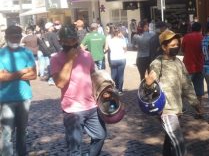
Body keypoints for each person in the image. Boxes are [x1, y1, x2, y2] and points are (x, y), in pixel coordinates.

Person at [50, 25, 106, 155]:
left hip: (91, 106)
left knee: (100, 136)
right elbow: (60, 83)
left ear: (77, 40)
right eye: (66, 41)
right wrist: (70, 59)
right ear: (60, 42)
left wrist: (104, 90)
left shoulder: (87, 55)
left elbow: (93, 76)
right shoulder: (55, 59)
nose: (70, 43)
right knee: (74, 147)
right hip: (72, 110)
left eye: (73, 40)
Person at [144, 30, 202, 156]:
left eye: (177, 45)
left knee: (170, 139)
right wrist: (148, 83)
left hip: (177, 108)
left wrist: (195, 104)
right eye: (172, 46)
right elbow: (150, 83)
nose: (176, 47)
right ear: (164, 47)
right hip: (165, 110)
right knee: (178, 142)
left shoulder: (179, 62)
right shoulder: (157, 63)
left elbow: (187, 85)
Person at [0, 25, 37, 156]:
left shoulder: (26, 52)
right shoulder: (1, 54)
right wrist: (22, 71)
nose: (16, 39)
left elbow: (33, 74)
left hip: (24, 97)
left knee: (22, 131)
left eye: (18, 37)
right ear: (6, 37)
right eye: (13, 37)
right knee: (7, 132)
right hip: (5, 99)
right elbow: (1, 77)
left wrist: (9, 74)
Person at [181, 22, 205, 118]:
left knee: (183, 89)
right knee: (199, 91)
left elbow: (182, 50)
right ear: (200, 29)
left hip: (188, 67)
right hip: (200, 66)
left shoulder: (186, 37)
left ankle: (180, 108)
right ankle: (198, 112)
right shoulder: (202, 38)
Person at [106, 27, 127, 95]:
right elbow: (125, 49)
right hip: (121, 58)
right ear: (118, 33)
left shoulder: (110, 41)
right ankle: (120, 90)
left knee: (113, 75)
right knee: (120, 75)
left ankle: (112, 88)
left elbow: (108, 48)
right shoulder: (122, 40)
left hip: (113, 59)